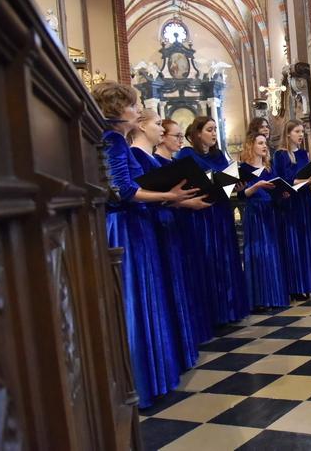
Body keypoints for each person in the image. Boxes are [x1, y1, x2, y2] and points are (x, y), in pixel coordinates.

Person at [92, 82, 196, 408]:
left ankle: (150, 376)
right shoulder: (112, 139)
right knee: (135, 298)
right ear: (117, 109)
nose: (138, 110)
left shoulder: (117, 140)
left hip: (134, 224)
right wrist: (169, 195)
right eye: (134, 105)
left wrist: (168, 198)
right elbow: (122, 190)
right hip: (126, 227)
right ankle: (140, 381)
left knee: (143, 296)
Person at [130, 110, 205, 370]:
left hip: (166, 223)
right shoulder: (137, 155)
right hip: (152, 226)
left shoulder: (148, 156)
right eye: (157, 123)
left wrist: (182, 199)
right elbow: (137, 195)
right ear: (141, 126)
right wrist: (177, 199)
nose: (161, 129)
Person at [178, 116, 251, 321]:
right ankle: (211, 314)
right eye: (209, 130)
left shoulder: (218, 155)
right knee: (208, 260)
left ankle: (230, 310)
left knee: (225, 258)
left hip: (221, 210)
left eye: (215, 130)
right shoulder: (186, 154)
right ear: (197, 133)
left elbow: (227, 182)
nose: (213, 134)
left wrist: (237, 186)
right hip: (200, 212)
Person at [155, 119, 214, 344]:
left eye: (182, 136)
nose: (181, 140)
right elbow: (161, 200)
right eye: (177, 136)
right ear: (162, 137)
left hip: (185, 220)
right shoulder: (156, 162)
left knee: (190, 273)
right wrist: (188, 202)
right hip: (169, 223)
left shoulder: (175, 161)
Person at [273, 119, 311, 300]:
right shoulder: (280, 155)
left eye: (302, 131)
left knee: (310, 241)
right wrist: (306, 180)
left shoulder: (304, 153)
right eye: (297, 131)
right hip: (291, 202)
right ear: (288, 134)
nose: (301, 135)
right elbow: (283, 179)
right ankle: (297, 287)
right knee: (295, 243)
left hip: (305, 200)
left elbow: (308, 176)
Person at [240, 134, 289, 309]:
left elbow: (277, 189)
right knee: (258, 253)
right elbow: (241, 195)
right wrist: (256, 186)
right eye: (260, 143)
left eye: (265, 143)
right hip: (255, 213)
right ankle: (259, 299)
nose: (264, 146)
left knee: (272, 253)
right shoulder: (243, 169)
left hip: (270, 212)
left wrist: (283, 193)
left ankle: (275, 296)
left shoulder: (269, 168)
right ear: (251, 145)